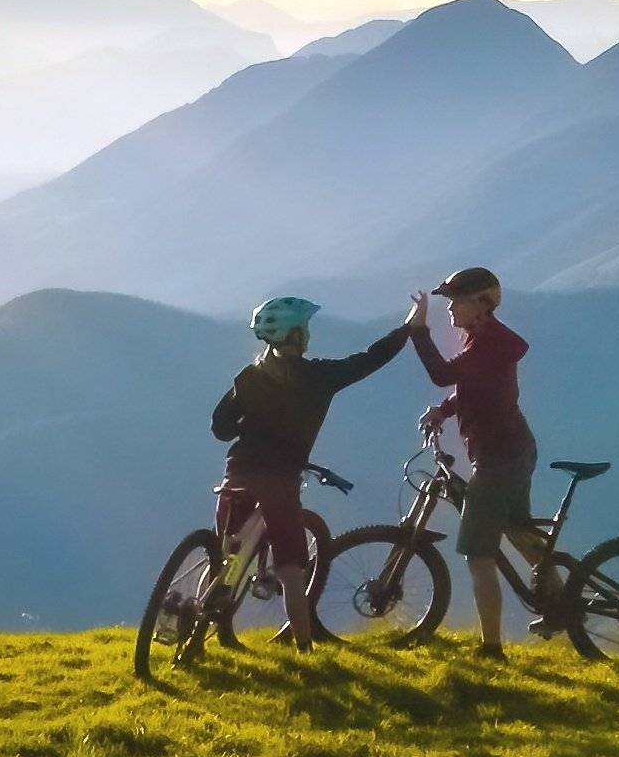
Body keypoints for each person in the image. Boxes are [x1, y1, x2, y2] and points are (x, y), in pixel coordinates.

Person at [211, 295, 415, 643]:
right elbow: (368, 360)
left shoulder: (248, 377)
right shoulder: (319, 375)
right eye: (303, 329)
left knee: (227, 557)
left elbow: (221, 429)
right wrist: (410, 327)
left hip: (239, 472)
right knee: (292, 570)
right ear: (293, 335)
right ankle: (304, 650)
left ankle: (205, 624)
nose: (308, 335)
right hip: (279, 480)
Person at [409, 266, 536, 657]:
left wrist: (418, 331)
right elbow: (478, 389)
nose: (450, 310)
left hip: (498, 460)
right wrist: (444, 411)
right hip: (512, 452)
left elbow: (442, 374)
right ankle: (561, 602)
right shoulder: (484, 342)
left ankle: (492, 648)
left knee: (479, 553)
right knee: (519, 534)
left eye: (456, 302)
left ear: (482, 305)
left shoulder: (489, 345)